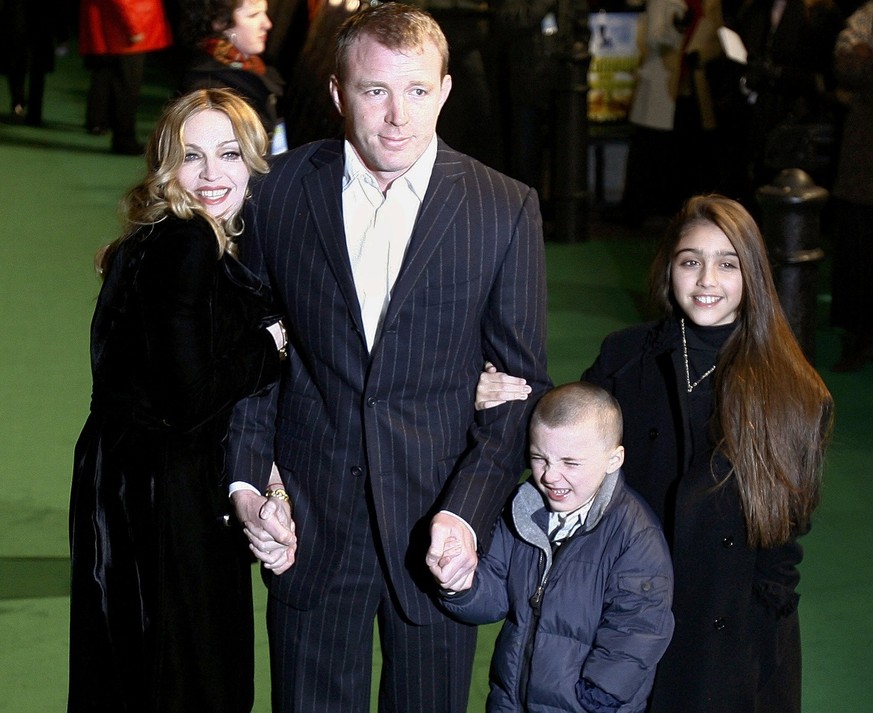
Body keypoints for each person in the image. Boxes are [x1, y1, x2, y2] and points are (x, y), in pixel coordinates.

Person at [225, 3, 550, 712]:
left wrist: (466, 513)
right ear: (339, 94)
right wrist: (249, 485)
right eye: (375, 90)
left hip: (436, 535)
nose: (398, 116)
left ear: (445, 89)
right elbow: (249, 366)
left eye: (418, 90)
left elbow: (521, 389)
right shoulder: (276, 192)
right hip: (309, 527)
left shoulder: (503, 209)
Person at [476, 194, 834, 712]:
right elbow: (570, 436)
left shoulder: (793, 389)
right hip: (627, 612)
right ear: (669, 269)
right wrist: (500, 396)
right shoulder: (627, 355)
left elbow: (785, 538)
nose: (707, 280)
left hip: (730, 631)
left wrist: (762, 645)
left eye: (727, 263)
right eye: (691, 261)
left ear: (753, 274)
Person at [68, 88, 292, 713]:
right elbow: (190, 396)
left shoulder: (159, 238)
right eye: (193, 156)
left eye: (228, 154)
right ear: (167, 165)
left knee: (132, 668)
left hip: (125, 481)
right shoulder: (189, 240)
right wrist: (271, 343)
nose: (212, 174)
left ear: (253, 160)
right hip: (165, 493)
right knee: (190, 674)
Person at [433, 381, 675, 713]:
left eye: (570, 463)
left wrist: (598, 695)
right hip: (511, 700)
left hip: (588, 705)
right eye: (539, 458)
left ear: (613, 459)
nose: (550, 476)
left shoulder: (635, 536)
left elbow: (640, 627)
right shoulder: (522, 511)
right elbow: (493, 597)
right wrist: (460, 586)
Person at [180, 0, 287, 152]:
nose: (267, 24)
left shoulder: (252, 65)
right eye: (253, 15)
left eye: (265, 13)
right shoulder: (211, 91)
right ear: (220, 22)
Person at [829, 0, 873, 371]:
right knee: (859, 250)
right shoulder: (869, 13)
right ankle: (859, 337)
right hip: (864, 161)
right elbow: (846, 61)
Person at [78, 0, 173, 154]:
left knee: (115, 81)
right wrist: (133, 29)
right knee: (127, 89)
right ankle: (124, 139)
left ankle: (113, 131)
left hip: (121, 29)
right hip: (128, 31)